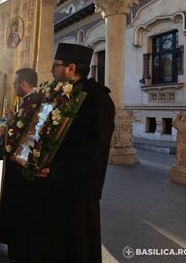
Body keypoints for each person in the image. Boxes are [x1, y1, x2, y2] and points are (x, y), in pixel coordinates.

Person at [45, 43, 115, 262]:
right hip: (61, 181)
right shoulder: (66, 93)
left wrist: (55, 169)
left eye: (56, 66)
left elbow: (92, 145)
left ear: (71, 68)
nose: (52, 71)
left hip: (81, 184)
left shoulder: (96, 97)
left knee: (80, 240)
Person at [0, 68, 47, 261]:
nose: (14, 86)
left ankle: (21, 248)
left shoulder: (33, 104)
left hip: (21, 165)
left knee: (19, 207)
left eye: (15, 82)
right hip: (15, 162)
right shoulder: (25, 103)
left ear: (24, 84)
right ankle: (15, 245)